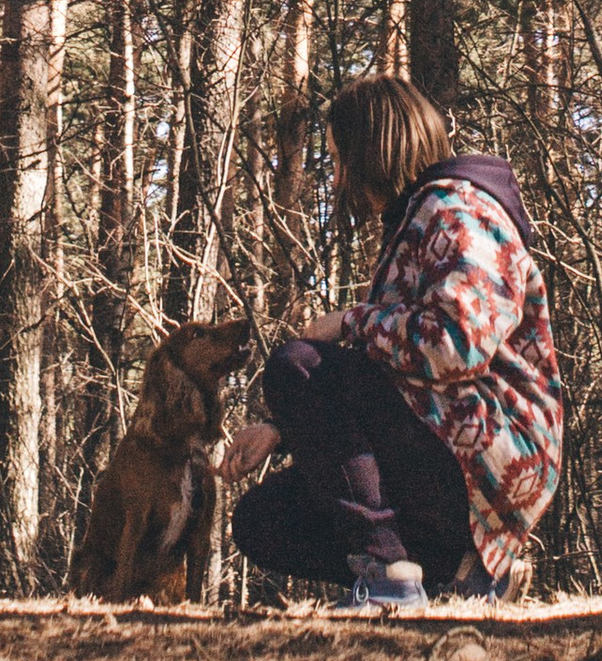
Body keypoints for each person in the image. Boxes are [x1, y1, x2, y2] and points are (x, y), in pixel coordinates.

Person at [223, 74, 563, 611]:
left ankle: (388, 577)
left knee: (299, 363)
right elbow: (386, 381)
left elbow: (457, 346)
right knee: (263, 522)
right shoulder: (415, 218)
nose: (336, 178)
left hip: (494, 455)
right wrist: (282, 429)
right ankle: (461, 571)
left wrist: (352, 324)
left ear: (373, 151)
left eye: (340, 159)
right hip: (450, 443)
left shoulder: (458, 211)